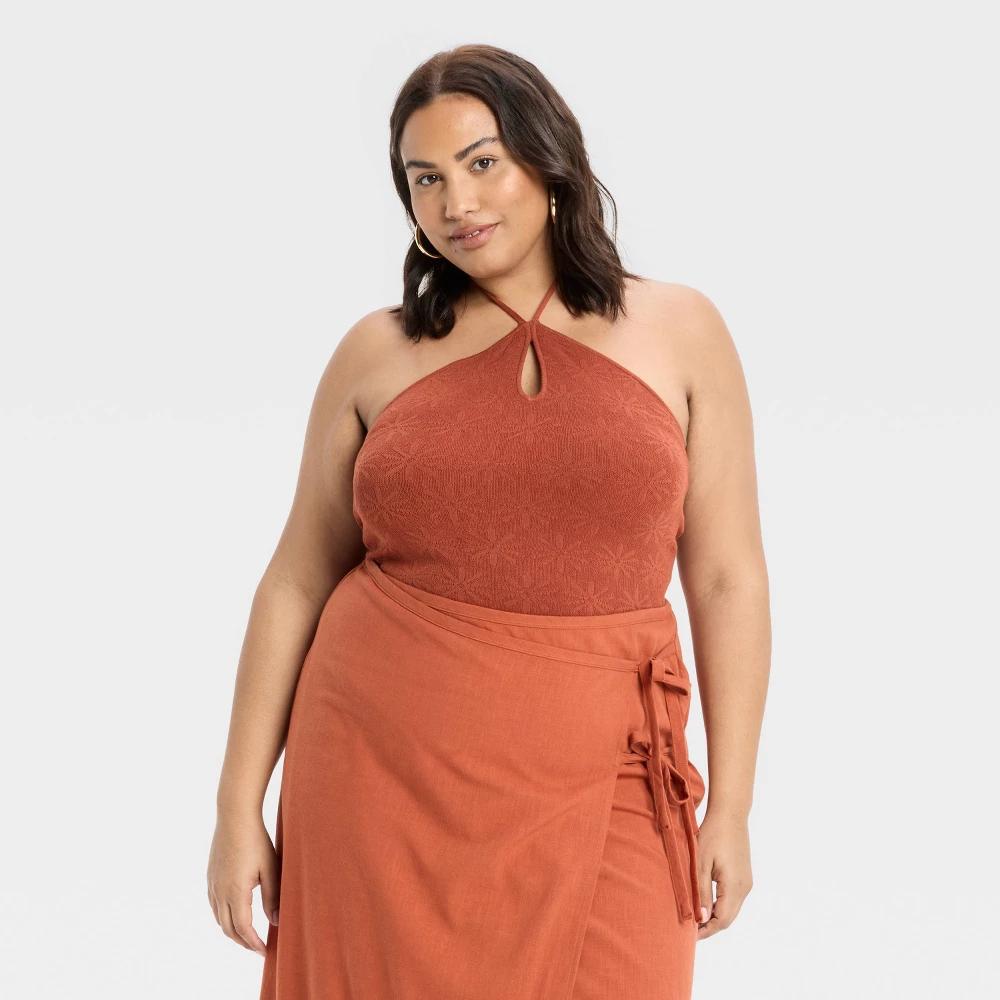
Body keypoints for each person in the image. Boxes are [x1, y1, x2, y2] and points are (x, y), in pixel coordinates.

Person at [207, 43, 770, 1000]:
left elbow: (727, 578)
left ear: (550, 161)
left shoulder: (680, 330)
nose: (456, 202)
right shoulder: (377, 352)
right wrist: (235, 808)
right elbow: (296, 579)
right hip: (378, 769)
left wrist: (735, 807)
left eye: (481, 162)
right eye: (425, 178)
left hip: (610, 768)